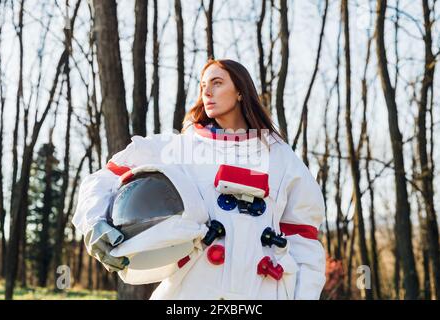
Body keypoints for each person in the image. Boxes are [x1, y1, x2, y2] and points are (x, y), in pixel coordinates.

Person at [72, 59, 326, 300]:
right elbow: (105, 179)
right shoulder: (177, 148)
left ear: (240, 91)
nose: (207, 92)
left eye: (217, 83)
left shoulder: (281, 158)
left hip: (264, 291)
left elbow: (304, 243)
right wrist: (94, 221)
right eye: (203, 85)